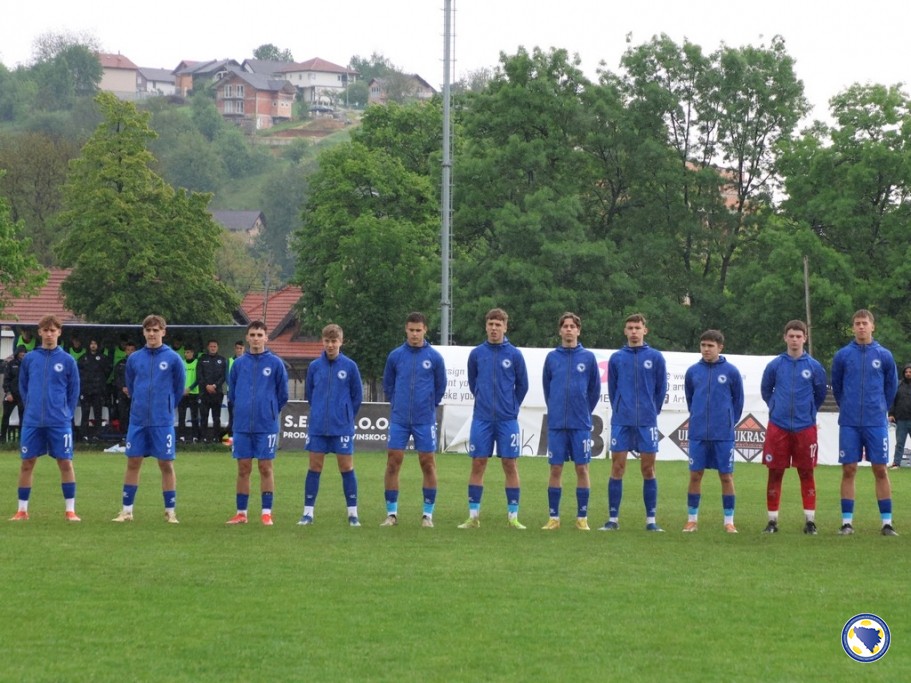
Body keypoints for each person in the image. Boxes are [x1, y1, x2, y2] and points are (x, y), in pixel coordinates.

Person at [458, 308, 529, 529]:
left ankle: (513, 517)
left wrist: (511, 407)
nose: (494, 328)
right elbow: (473, 383)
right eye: (491, 324)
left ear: (505, 327)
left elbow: (522, 385)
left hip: (508, 420)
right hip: (482, 418)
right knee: (478, 463)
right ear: (486, 326)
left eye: (498, 324)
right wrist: (484, 401)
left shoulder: (515, 354)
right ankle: (473, 516)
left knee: (510, 464)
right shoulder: (477, 354)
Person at [831, 309, 899, 536]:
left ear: (873, 326)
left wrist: (879, 408)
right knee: (849, 469)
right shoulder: (842, 355)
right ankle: (847, 523)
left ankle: (887, 524)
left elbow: (891, 388)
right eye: (857, 323)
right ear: (853, 328)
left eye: (865, 323)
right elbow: (837, 387)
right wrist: (848, 406)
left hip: (875, 421)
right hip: (850, 421)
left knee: (880, 469)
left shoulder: (884, 355)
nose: (861, 327)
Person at [112, 314, 185, 524]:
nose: (152, 334)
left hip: (162, 420)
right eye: (148, 330)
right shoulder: (134, 358)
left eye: (156, 330)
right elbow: (132, 386)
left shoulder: (173, 358)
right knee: (133, 462)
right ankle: (127, 511)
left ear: (164, 331)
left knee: (166, 464)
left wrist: (166, 405)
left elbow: (178, 388)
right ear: (143, 332)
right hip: (138, 420)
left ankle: (170, 511)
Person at [759, 320, 828, 535]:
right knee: (775, 472)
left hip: (805, 427)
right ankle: (772, 521)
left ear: (805, 338)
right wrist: (775, 407)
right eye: (791, 336)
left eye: (799, 336)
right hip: (778, 426)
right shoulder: (775, 365)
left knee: (806, 473)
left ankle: (809, 521)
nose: (795, 339)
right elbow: (766, 390)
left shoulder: (815, 367)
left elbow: (820, 395)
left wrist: (807, 412)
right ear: (785, 337)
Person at [601, 313, 668, 532]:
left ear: (644, 331)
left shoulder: (656, 357)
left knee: (648, 469)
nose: (633, 332)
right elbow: (612, 389)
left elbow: (660, 390)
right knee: (617, 467)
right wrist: (621, 408)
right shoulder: (617, 358)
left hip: (647, 421)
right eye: (629, 328)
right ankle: (613, 519)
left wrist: (650, 411)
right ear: (625, 331)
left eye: (637, 328)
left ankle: (651, 521)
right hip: (622, 421)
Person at [10, 315, 81, 521]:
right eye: (45, 330)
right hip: (33, 422)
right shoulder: (30, 358)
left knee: (65, 463)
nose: (49, 334)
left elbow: (73, 391)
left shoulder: (68, 360)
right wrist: (31, 406)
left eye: (53, 330)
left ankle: (70, 510)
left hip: (59, 422)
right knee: (27, 463)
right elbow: (23, 386)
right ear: (39, 332)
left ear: (59, 332)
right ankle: (22, 510)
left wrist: (65, 412)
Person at [381, 312, 446, 528]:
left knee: (427, 463)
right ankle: (391, 514)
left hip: (424, 419)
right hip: (400, 419)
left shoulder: (434, 358)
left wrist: (427, 406)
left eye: (419, 330)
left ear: (425, 330)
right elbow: (388, 385)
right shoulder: (396, 356)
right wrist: (398, 404)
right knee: (393, 462)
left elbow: (440, 387)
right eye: (411, 330)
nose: (415, 334)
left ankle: (427, 515)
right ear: (406, 330)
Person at [298, 324, 363, 527]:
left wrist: (344, 416)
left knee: (346, 467)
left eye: (334, 341)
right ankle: (308, 513)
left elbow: (357, 397)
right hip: (318, 427)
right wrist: (319, 412)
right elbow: (310, 394)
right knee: (314, 467)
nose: (330, 345)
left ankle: (353, 513)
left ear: (341, 342)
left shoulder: (350, 366)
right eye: (327, 341)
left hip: (341, 427)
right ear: (322, 341)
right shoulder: (314, 367)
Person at [541, 312, 601, 531]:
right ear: (560, 331)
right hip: (557, 424)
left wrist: (583, 410)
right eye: (565, 326)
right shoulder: (552, 358)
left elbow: (594, 390)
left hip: (580, 424)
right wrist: (556, 408)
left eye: (572, 326)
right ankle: (553, 518)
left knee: (582, 468)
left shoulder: (588, 358)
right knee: (555, 469)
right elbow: (548, 389)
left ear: (578, 330)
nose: (568, 329)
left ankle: (582, 517)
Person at [225, 321, 289, 526]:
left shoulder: (276, 363)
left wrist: (268, 410)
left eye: (259, 335)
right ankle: (241, 513)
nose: (255, 338)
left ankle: (266, 513)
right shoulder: (239, 364)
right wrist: (243, 408)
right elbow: (232, 392)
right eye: (252, 334)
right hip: (242, 425)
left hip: (266, 425)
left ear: (266, 338)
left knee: (265, 467)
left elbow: (283, 395)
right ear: (247, 338)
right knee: (243, 468)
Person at [683, 329, 744, 533]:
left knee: (726, 476)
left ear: (720, 347)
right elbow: (690, 399)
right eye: (703, 345)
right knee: (695, 475)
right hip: (698, 433)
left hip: (722, 434)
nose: (706, 349)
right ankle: (692, 520)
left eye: (710, 346)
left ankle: (729, 521)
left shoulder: (732, 371)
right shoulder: (693, 371)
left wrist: (727, 422)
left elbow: (738, 402)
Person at [77, 338, 111, 441]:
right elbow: (79, 372)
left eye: (95, 343)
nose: (93, 345)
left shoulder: (103, 358)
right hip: (86, 390)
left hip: (98, 390)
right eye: (91, 343)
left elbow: (107, 371)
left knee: (98, 413)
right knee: (85, 412)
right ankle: (84, 435)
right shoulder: (83, 358)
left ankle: (97, 435)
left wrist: (100, 382)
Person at [197, 339, 227, 442]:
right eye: (211, 346)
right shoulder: (202, 359)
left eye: (214, 346)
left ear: (217, 348)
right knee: (204, 417)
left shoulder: (222, 360)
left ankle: (216, 439)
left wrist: (214, 385)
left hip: (216, 393)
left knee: (216, 417)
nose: (213, 348)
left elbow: (223, 376)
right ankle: (203, 439)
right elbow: (199, 375)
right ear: (208, 347)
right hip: (204, 393)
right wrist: (206, 385)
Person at [1, 346, 27, 442]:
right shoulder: (11, 364)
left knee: (23, 418)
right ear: (17, 353)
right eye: (21, 352)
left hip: (22, 396)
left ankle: (22, 439)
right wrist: (8, 393)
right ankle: (2, 439)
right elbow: (6, 380)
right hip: (11, 395)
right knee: (6, 416)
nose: (23, 354)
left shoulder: (28, 364)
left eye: (24, 352)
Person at [888, 363, 911, 469]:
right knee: (900, 443)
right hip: (901, 419)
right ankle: (896, 463)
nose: (908, 374)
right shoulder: (898, 385)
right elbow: (893, 401)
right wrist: (891, 414)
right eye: (906, 372)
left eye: (910, 372)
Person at [113, 341, 137, 438]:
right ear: (125, 351)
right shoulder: (120, 364)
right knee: (123, 414)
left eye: (132, 350)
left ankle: (134, 435)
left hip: (135, 393)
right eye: (128, 350)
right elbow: (117, 377)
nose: (130, 352)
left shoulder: (139, 363)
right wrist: (123, 387)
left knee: (135, 414)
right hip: (122, 393)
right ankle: (124, 435)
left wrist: (133, 388)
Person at [177, 347, 201, 442]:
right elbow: (178, 377)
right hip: (182, 394)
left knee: (194, 416)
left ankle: (195, 436)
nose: (186, 354)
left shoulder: (197, 363)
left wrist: (190, 388)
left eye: (188, 352)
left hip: (193, 393)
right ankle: (181, 437)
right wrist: (182, 389)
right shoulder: (181, 363)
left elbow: (199, 378)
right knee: (181, 416)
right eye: (185, 352)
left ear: (192, 353)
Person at [225, 340, 245, 441]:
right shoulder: (230, 360)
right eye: (237, 348)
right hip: (232, 393)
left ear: (244, 349)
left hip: (243, 394)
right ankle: (230, 439)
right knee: (232, 416)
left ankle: (240, 438)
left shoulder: (247, 361)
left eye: (241, 348)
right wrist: (234, 387)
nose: (239, 350)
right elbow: (227, 377)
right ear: (235, 349)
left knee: (242, 416)